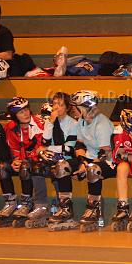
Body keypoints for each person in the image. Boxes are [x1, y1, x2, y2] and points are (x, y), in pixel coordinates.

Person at [0, 97, 47, 228]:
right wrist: (14, 161)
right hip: (22, 160)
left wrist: (23, 161)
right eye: (21, 112)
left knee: (25, 166)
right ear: (14, 116)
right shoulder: (10, 127)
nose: (26, 114)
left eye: (27, 110)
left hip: (37, 161)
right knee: (2, 167)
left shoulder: (40, 123)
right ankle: (10, 203)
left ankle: (26, 204)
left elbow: (41, 148)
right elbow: (13, 148)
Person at [71, 90, 116, 232]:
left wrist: (87, 166)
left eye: (75, 106)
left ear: (85, 107)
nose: (73, 109)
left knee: (92, 170)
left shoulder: (102, 123)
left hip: (109, 161)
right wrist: (82, 162)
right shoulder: (81, 121)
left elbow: (104, 154)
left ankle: (93, 208)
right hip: (90, 158)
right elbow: (79, 145)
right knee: (62, 166)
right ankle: (65, 206)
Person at [41, 92, 79, 231]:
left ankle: (65, 208)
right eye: (55, 104)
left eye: (61, 105)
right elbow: (44, 141)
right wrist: (51, 122)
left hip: (69, 159)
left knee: (61, 166)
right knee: (33, 167)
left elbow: (69, 148)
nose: (57, 107)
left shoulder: (73, 124)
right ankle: (39, 206)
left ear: (67, 108)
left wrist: (48, 148)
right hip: (53, 157)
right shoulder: (50, 121)